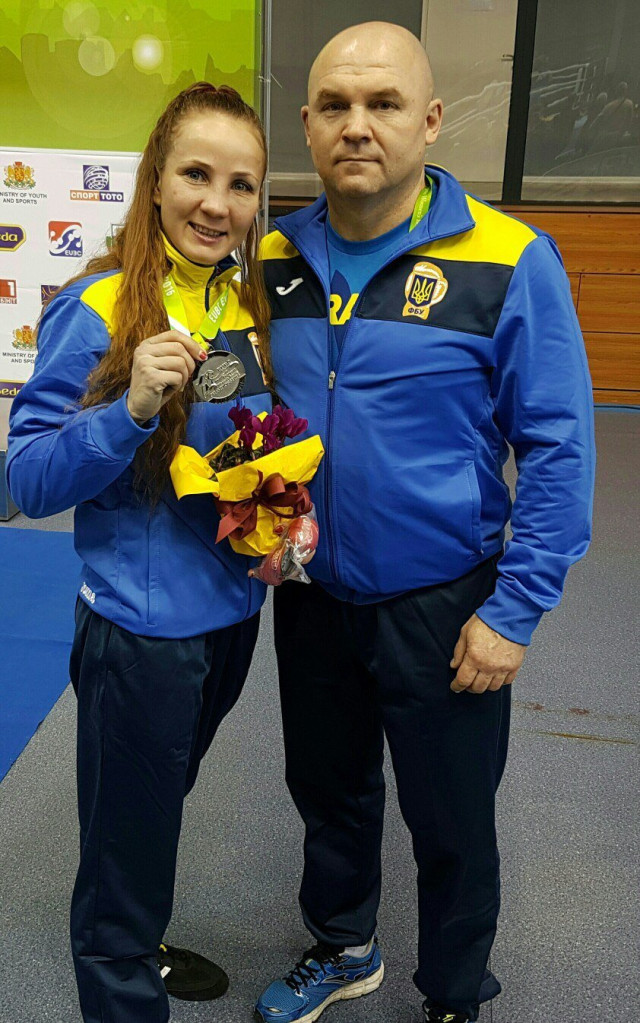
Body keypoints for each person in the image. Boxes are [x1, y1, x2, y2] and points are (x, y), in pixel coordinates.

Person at [255, 22, 595, 1023]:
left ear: (432, 119)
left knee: (451, 820)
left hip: (445, 604)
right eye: (335, 105)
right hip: (311, 592)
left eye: (384, 104)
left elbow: (560, 447)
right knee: (329, 792)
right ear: (308, 123)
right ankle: (343, 944)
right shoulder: (272, 255)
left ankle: (452, 993)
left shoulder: (509, 257)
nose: (357, 126)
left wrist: (514, 612)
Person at [7, 82, 272, 1023]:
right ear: (155, 180)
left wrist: (279, 512)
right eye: (196, 174)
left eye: (241, 184)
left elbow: (243, 447)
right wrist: (128, 412)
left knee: (148, 821)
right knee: (124, 858)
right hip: (141, 641)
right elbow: (25, 478)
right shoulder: (98, 306)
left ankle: (140, 939)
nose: (217, 203)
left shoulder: (240, 298)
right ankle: (124, 967)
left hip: (233, 621)